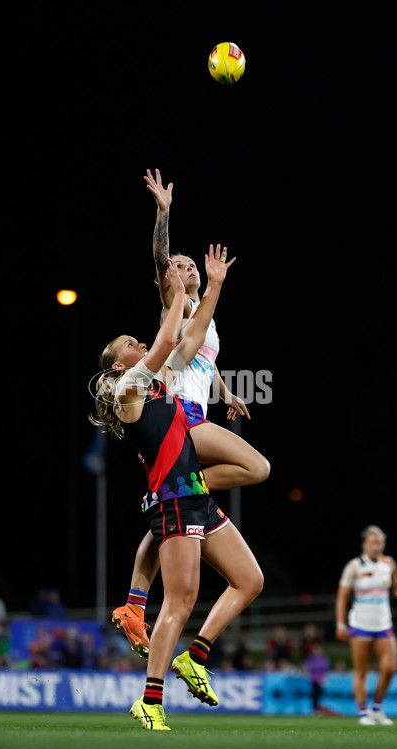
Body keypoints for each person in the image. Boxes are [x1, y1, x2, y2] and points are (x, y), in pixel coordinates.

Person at [91, 246, 264, 730]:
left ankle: (181, 642)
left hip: (191, 494)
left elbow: (189, 345)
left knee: (250, 580)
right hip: (176, 495)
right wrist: (176, 290)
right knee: (183, 601)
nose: (137, 343)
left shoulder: (160, 380)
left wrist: (207, 290)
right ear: (118, 366)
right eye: (129, 342)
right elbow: (170, 337)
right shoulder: (133, 388)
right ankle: (150, 698)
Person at [111, 168, 270, 659]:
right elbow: (161, 259)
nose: (185, 268)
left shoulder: (205, 315)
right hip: (178, 417)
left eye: (188, 264)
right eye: (178, 266)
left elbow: (203, 359)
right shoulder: (172, 307)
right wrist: (163, 214)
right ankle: (143, 615)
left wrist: (227, 391)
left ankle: (135, 605)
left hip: (197, 409)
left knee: (169, 509)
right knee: (256, 468)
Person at [335, 525, 397, 726]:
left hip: (383, 624)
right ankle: (363, 713)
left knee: (389, 668)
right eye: (373, 543)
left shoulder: (389, 564)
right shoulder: (354, 567)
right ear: (365, 544)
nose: (376, 546)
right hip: (360, 625)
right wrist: (340, 623)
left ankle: (377, 708)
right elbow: (342, 598)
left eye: (380, 543)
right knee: (361, 670)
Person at [303, 643, 330, 715]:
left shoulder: (324, 659)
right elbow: (307, 668)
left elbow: (326, 669)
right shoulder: (311, 659)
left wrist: (323, 678)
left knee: (321, 695)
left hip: (321, 680)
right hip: (314, 680)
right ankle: (315, 709)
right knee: (315, 695)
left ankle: (321, 709)